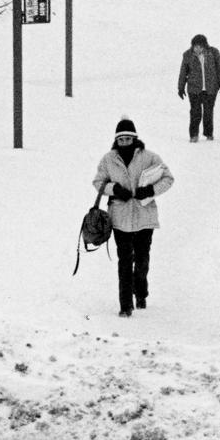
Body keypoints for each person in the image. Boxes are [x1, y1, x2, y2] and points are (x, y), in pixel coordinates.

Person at [92, 118, 173, 317]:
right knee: (125, 261)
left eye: (128, 138)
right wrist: (115, 189)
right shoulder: (108, 159)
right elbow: (98, 182)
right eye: (121, 139)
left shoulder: (150, 157)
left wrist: (151, 190)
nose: (125, 142)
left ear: (135, 139)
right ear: (116, 141)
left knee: (142, 260)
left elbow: (168, 178)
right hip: (120, 219)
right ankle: (125, 305)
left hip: (145, 218)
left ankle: (141, 293)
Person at [176, 33, 220, 142]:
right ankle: (193, 135)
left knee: (208, 112)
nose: (197, 49)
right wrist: (181, 88)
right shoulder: (187, 55)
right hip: (194, 89)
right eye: (195, 46)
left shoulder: (213, 53)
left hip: (210, 88)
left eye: (200, 46)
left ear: (205, 46)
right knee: (195, 112)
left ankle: (209, 134)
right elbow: (183, 73)